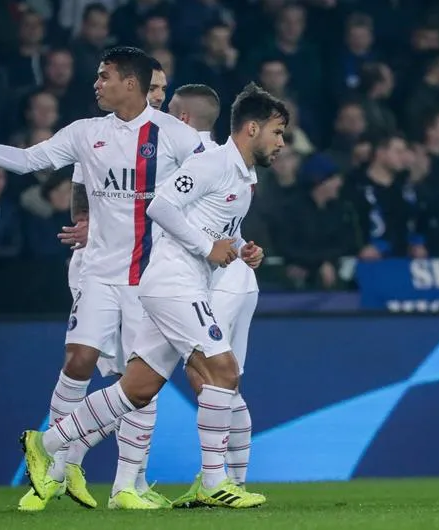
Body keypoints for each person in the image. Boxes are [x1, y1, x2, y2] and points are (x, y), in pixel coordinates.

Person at [0, 46, 204, 509]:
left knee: (137, 382)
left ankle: (127, 486)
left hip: (150, 281)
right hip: (99, 273)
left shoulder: (174, 136)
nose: (96, 84)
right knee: (78, 360)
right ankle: (55, 472)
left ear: (130, 83)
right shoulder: (86, 133)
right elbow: (27, 160)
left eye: (105, 76)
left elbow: (212, 183)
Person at [20, 82, 288, 510]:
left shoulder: (244, 175)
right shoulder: (211, 163)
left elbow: (221, 228)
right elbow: (160, 206)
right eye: (277, 132)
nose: (281, 143)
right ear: (252, 128)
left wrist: (242, 248)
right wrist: (208, 247)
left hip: (179, 285)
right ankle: (214, 480)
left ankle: (46, 443)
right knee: (223, 371)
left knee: (137, 389)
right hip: (172, 283)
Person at [169, 83, 259, 487]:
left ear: (183, 118)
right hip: (236, 278)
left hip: (221, 281)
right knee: (224, 382)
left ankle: (218, 480)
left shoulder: (195, 156)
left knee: (210, 377)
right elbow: (225, 223)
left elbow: (166, 210)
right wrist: (244, 246)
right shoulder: (231, 160)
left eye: (168, 110)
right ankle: (233, 482)